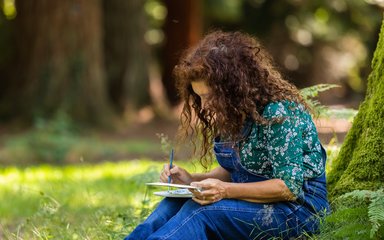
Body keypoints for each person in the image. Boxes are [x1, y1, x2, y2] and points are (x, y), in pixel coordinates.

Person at [124, 30, 329, 240]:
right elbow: (237, 169)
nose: (204, 106)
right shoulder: (233, 112)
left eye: (209, 97)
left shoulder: (279, 113)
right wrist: (192, 180)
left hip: (296, 212)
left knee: (203, 212)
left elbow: (288, 187)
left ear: (233, 88)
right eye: (199, 97)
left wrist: (225, 191)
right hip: (255, 203)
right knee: (174, 201)